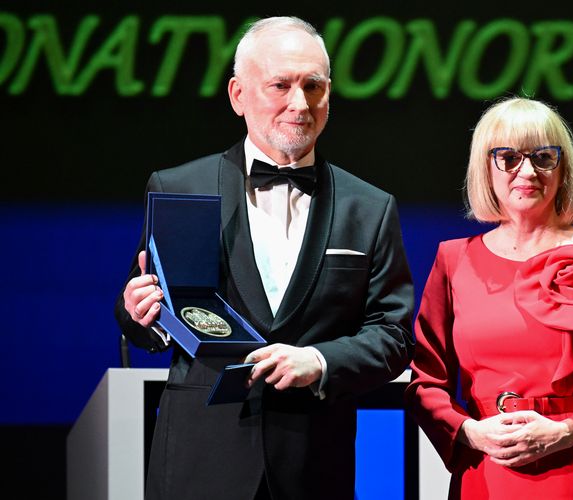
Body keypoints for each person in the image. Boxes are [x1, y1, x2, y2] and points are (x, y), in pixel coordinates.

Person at [114, 16, 414, 500]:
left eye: (313, 86)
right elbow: (147, 315)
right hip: (201, 458)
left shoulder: (370, 207)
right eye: (281, 85)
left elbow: (393, 336)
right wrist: (138, 312)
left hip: (314, 464)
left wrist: (319, 360)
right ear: (238, 95)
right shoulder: (180, 187)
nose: (300, 103)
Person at [404, 97, 573, 499]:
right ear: (485, 168)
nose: (527, 171)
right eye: (508, 158)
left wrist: (566, 431)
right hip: (488, 469)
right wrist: (471, 432)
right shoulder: (453, 260)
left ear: (563, 169)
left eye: (543, 157)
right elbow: (426, 382)